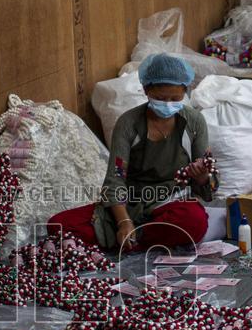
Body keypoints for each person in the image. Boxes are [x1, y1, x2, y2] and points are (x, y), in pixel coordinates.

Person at [48, 53, 217, 252]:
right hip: (130, 203)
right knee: (57, 224)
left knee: (193, 222)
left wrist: (203, 177)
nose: (168, 104)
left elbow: (207, 180)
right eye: (161, 98)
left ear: (185, 92)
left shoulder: (194, 122)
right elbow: (115, 178)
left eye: (175, 98)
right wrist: (123, 222)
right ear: (146, 90)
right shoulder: (128, 124)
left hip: (171, 201)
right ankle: (132, 235)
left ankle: (130, 241)